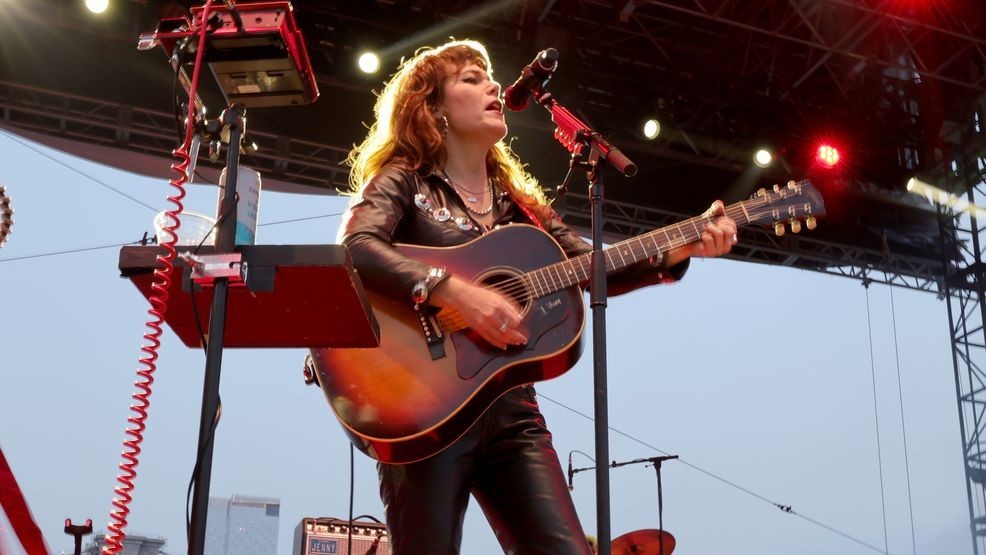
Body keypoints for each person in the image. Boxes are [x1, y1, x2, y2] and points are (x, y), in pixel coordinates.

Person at [336, 39, 737, 554]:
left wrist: (678, 249)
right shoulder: (404, 181)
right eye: (470, 79)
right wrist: (451, 290)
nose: (493, 86)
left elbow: (589, 268)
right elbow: (357, 247)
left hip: (513, 415)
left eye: (489, 77)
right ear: (433, 108)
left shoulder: (521, 205)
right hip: (422, 406)